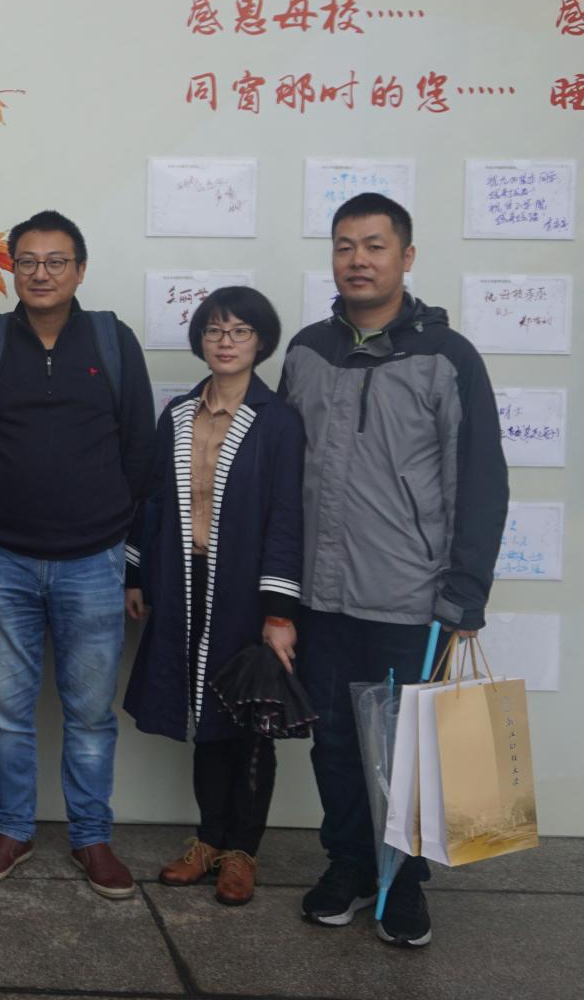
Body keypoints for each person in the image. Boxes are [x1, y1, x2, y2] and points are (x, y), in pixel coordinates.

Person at [282, 193, 507, 949]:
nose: (358, 260)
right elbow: (281, 470)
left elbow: (480, 479)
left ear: (406, 257)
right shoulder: (307, 350)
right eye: (344, 246)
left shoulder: (447, 358)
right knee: (335, 742)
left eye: (374, 246)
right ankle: (348, 865)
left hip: (408, 595)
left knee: (407, 749)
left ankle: (404, 882)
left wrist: (464, 593)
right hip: (320, 594)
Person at [0, 210, 155, 897]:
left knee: (91, 713)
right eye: (29, 261)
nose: (42, 273)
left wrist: (118, 535)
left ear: (80, 269)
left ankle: (92, 837)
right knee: (5, 708)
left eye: (57, 261)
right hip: (2, 559)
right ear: (12, 269)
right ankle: (11, 829)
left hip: (94, 561)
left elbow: (139, 449)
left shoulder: (111, 340)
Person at [122, 286, 304, 908]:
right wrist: (137, 576)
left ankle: (241, 851)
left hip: (247, 591)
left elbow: (287, 517)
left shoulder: (279, 421)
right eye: (215, 330)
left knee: (248, 720)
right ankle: (207, 841)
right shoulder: (177, 414)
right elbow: (151, 501)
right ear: (201, 339)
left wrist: (279, 613)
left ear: (261, 342)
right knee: (203, 715)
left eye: (240, 331)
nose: (226, 342)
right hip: (183, 581)